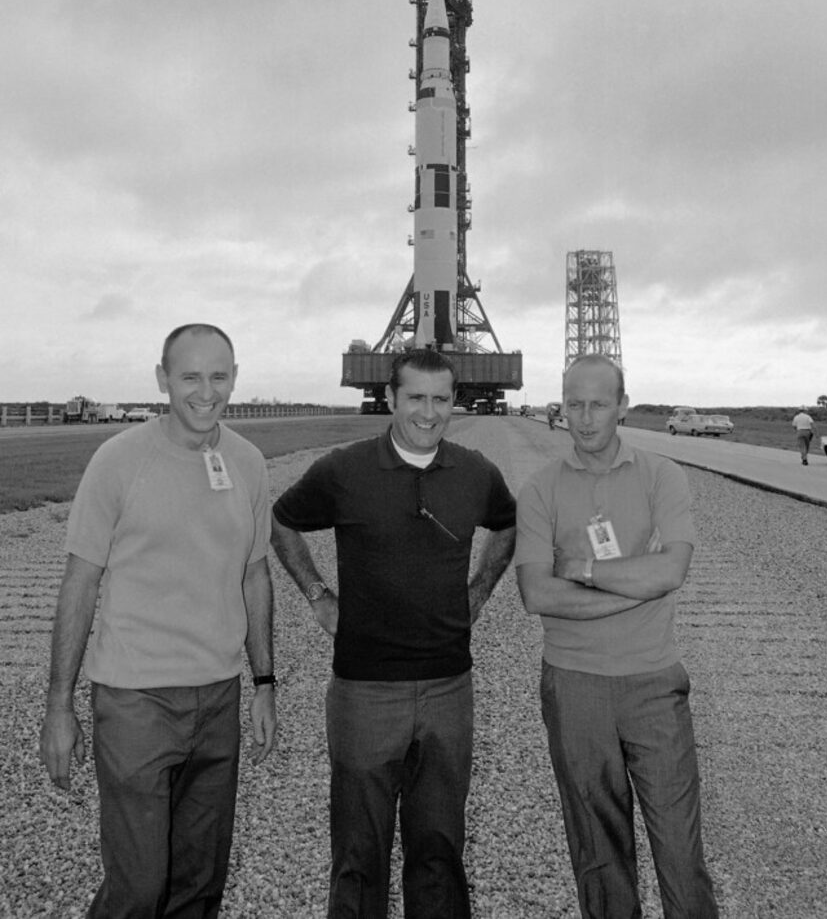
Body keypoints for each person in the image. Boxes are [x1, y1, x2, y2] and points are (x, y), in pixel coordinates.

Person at [39, 323, 277, 919]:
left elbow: (254, 576)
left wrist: (265, 684)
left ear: (235, 379)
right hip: (135, 701)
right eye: (190, 376)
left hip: (218, 696)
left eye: (218, 376)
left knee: (198, 884)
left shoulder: (246, 463)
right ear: (162, 379)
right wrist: (58, 707)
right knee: (140, 889)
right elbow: (81, 582)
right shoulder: (119, 460)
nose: (205, 391)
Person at [270, 346, 516, 919]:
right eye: (415, 399)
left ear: (454, 401)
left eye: (440, 399)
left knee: (438, 851)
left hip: (448, 688)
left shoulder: (476, 472)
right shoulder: (345, 469)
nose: (428, 413)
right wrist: (317, 594)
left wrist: (478, 591)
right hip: (364, 692)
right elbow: (281, 522)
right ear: (390, 399)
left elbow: (507, 525)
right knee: (359, 854)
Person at [515, 354, 718, 919]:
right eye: (574, 404)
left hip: (653, 683)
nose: (585, 418)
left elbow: (670, 572)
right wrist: (637, 582)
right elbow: (537, 595)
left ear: (622, 406)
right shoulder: (539, 491)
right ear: (561, 407)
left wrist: (580, 569)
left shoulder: (661, 476)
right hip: (574, 688)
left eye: (599, 404)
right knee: (599, 858)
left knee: (681, 853)